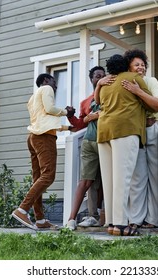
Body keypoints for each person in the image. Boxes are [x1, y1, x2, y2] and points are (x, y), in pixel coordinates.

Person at [94, 54, 154, 236]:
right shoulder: (133, 78)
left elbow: (97, 103)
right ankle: (121, 225)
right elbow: (151, 105)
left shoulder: (104, 83)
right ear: (126, 66)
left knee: (110, 180)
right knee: (123, 179)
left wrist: (98, 85)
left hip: (104, 132)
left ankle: (112, 223)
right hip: (125, 131)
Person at [12, 73, 75, 230]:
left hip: (34, 137)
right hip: (44, 138)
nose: (56, 86)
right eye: (55, 82)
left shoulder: (33, 98)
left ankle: (40, 220)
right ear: (46, 81)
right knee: (48, 176)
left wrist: (67, 127)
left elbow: (44, 121)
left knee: (38, 179)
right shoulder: (46, 88)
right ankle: (22, 210)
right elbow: (50, 109)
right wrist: (67, 112)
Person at [122, 49, 158, 229]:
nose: (141, 68)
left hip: (156, 129)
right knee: (137, 177)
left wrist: (138, 91)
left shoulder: (150, 81)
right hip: (136, 133)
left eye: (143, 65)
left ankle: (154, 219)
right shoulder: (123, 83)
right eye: (136, 64)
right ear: (129, 67)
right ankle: (135, 219)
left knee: (156, 176)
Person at [65, 66, 106, 230]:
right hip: (90, 141)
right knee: (89, 182)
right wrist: (71, 116)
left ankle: (103, 214)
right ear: (92, 79)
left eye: (103, 76)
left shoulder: (110, 95)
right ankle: (75, 218)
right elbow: (80, 125)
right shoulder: (85, 102)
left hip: (106, 141)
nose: (101, 78)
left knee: (104, 181)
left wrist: (95, 115)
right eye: (97, 76)